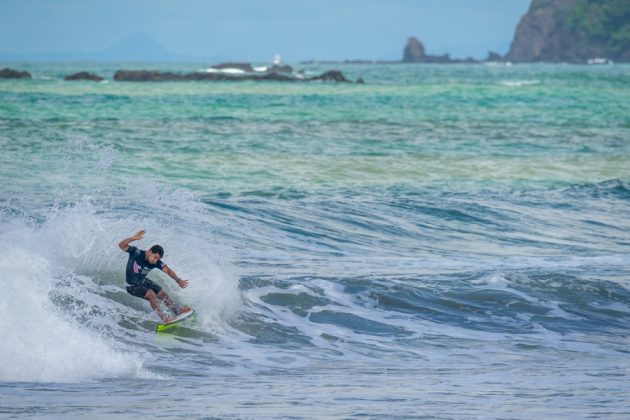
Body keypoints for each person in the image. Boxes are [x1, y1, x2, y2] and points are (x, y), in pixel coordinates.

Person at [119, 230, 191, 322]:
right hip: (131, 286)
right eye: (155, 257)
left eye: (158, 259)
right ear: (149, 251)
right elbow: (121, 245)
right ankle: (164, 317)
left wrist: (178, 280)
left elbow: (168, 270)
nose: (155, 261)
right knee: (151, 294)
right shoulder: (136, 253)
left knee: (162, 293)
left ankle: (177, 311)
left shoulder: (155, 262)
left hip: (142, 281)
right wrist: (132, 238)